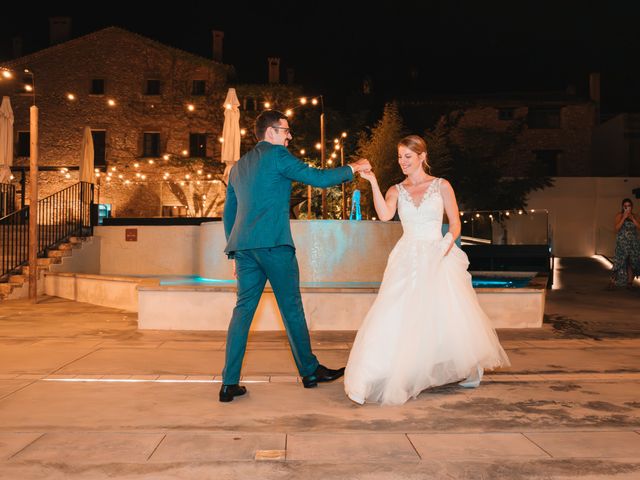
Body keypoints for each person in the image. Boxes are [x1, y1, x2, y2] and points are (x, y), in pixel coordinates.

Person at [344, 135, 510, 406]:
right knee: (395, 313)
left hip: (438, 252)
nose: (402, 162)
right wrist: (373, 181)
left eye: (407, 157)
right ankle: (377, 372)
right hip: (407, 257)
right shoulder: (396, 189)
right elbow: (385, 215)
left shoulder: (442, 185)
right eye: (399, 157)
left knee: (445, 313)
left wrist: (445, 244)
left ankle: (465, 367)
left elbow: (455, 223)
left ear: (422, 156)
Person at [220, 110, 371, 402]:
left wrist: (234, 252)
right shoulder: (277, 156)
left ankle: (228, 384)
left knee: (241, 314)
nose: (289, 136)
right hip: (275, 247)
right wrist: (352, 167)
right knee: (291, 310)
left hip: (245, 251)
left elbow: (230, 213)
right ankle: (309, 371)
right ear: (271, 132)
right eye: (286, 130)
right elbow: (318, 179)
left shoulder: (238, 167)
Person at [610, 198, 640, 289]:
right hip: (622, 243)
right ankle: (612, 282)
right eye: (625, 206)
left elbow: (639, 227)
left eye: (629, 206)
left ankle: (629, 283)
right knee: (619, 262)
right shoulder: (619, 215)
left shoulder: (635, 216)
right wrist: (624, 217)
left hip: (633, 243)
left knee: (631, 262)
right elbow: (616, 228)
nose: (627, 208)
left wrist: (632, 219)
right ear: (623, 207)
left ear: (632, 207)